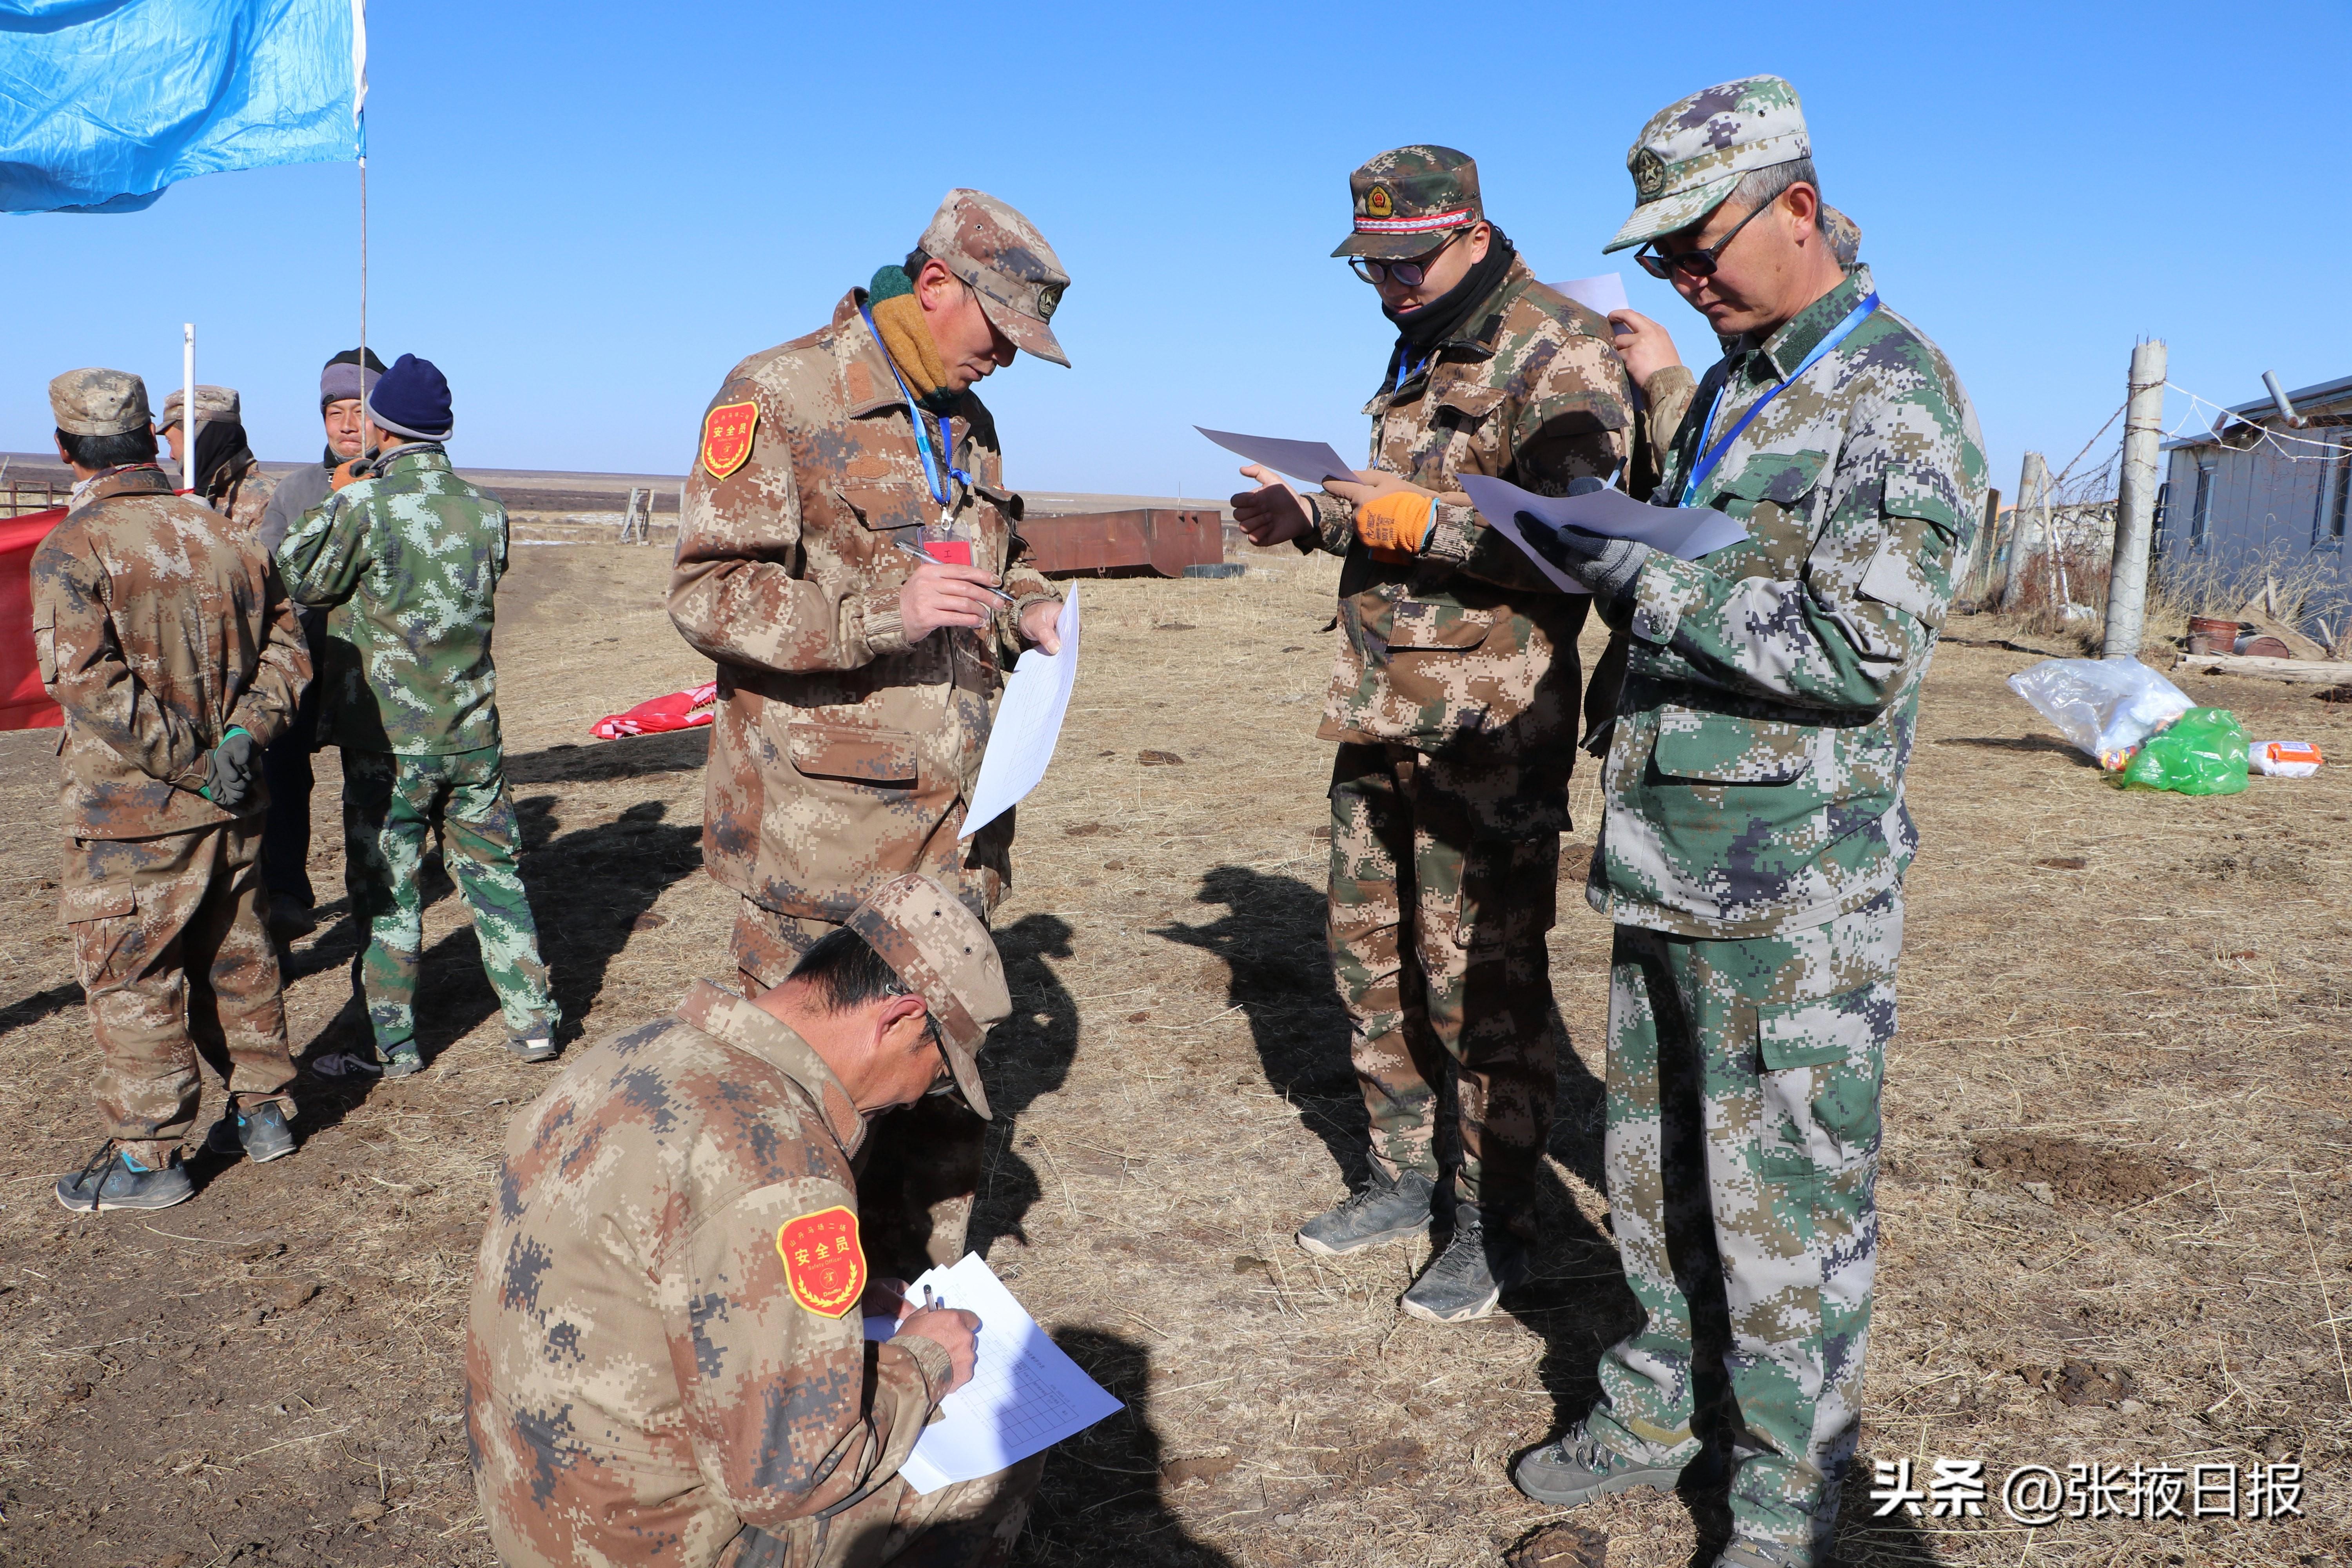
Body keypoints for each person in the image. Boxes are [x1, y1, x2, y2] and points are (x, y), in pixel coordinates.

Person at [1505, 77, 1986, 1568]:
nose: (1683, 278)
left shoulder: (1893, 396)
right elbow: (1710, 550)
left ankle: (1785, 1488)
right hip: (1664, 862)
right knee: (1653, 1180)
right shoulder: (1732, 378)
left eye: (1698, 243)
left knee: (1787, 1209)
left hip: (1792, 901)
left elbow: (1859, 649)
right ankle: (1657, 1405)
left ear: (1795, 206)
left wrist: (1641, 577)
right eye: (1657, 260)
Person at [1228, 146, 1634, 1323]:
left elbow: (1578, 538)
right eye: (1370, 267)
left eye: (1405, 260)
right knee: (1371, 959)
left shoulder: (1558, 347)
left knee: (1480, 986)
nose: (1388, 283)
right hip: (1383, 706)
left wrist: (1425, 525)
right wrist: (1309, 514)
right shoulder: (1426, 337)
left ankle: (1493, 1221)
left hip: (1488, 729)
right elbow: (1402, 494)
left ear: (1470, 232)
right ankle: (1403, 1179)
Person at [668, 188, 1069, 1281]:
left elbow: (998, 547)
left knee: (937, 1098)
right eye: (1002, 335)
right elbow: (711, 594)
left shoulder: (965, 418)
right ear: (936, 286)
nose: (1009, 363)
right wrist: (874, 617)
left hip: (951, 837)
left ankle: (918, 1308)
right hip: (822, 846)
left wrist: (1027, 603)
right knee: (790, 1111)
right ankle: (777, 1329)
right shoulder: (781, 394)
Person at [468, 873, 1039, 1568]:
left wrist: (840, 1317)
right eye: (940, 1073)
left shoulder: (631, 1054)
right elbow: (793, 1475)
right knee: (1002, 1459)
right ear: (900, 1020)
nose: (921, 1096)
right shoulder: (782, 1162)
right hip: (649, 1549)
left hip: (536, 1509)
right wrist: (925, 1363)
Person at [33, 368, 311, 1210]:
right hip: (234, 801)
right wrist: (239, 741)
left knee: (135, 975)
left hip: (136, 816)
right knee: (239, 955)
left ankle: (151, 1161)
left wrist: (195, 759)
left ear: (64, 447)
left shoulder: (75, 548)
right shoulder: (225, 532)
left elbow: (85, 683)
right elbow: (291, 652)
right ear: (155, 439)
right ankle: (265, 1113)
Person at [276, 352, 560, 1078]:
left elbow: (295, 572)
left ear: (382, 427)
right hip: (473, 735)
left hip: (387, 746)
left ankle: (394, 1045)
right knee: (496, 878)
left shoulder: (362, 505)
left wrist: (338, 496)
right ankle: (534, 1023)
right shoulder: (487, 510)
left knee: (387, 891)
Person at [252, 347, 387, 935]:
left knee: (380, 783)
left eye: (362, 410)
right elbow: (270, 573)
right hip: (307, 661)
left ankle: (383, 895)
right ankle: (284, 893)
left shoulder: (406, 487)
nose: (350, 425)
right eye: (337, 412)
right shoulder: (297, 488)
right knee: (281, 771)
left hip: (381, 672)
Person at [155, 385, 274, 535]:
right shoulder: (197, 497)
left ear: (200, 438)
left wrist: (211, 530)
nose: (171, 455)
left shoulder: (266, 502)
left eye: (169, 442)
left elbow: (263, 558)